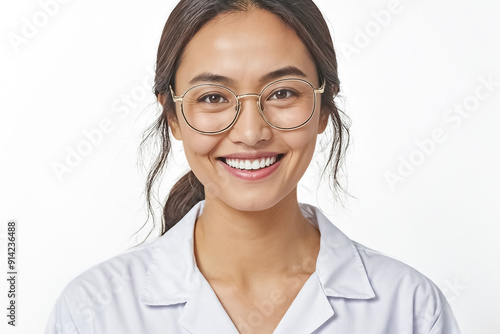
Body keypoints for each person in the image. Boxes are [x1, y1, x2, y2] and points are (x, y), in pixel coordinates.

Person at [45, 0, 461, 333]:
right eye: (212, 97)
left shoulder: (409, 310)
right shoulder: (92, 313)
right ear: (172, 115)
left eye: (282, 92)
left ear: (323, 108)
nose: (250, 132)